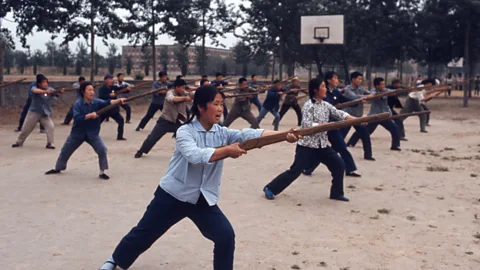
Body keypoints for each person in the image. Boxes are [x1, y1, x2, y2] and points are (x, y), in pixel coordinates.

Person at [99, 85, 300, 270]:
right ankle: (115, 260)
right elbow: (195, 156)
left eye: (222, 104)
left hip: (202, 198)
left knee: (225, 235)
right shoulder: (184, 131)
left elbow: (250, 134)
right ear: (201, 107)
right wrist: (226, 151)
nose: (220, 109)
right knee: (144, 233)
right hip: (173, 195)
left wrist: (283, 135)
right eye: (216, 104)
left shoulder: (221, 132)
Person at [262, 78, 364, 203]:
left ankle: (336, 193)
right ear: (315, 90)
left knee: (339, 165)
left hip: (322, 146)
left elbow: (340, 114)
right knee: (295, 171)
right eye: (323, 86)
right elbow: (307, 125)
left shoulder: (326, 105)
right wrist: (326, 125)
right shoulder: (308, 106)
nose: (325, 89)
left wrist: (356, 120)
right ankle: (270, 188)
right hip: (307, 146)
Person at [45, 82, 126, 180]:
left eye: (92, 90)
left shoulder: (96, 102)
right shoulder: (78, 104)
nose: (92, 92)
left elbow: (107, 102)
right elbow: (77, 118)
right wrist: (89, 116)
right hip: (77, 133)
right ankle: (58, 168)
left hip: (92, 133)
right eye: (89, 90)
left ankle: (102, 172)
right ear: (83, 92)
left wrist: (119, 100)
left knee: (102, 149)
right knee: (65, 151)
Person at [302, 72, 363, 177]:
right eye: (335, 78)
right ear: (329, 80)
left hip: (332, 125)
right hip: (321, 127)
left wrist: (357, 102)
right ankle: (307, 168)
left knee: (341, 147)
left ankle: (350, 169)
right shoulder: (318, 99)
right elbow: (307, 123)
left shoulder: (335, 92)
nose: (337, 80)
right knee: (320, 150)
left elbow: (341, 107)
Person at [134, 79, 194, 158]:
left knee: (186, 137)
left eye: (184, 88)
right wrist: (185, 98)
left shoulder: (184, 93)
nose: (183, 90)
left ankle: (189, 153)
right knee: (152, 137)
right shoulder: (170, 93)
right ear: (177, 87)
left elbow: (192, 94)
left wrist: (198, 92)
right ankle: (141, 151)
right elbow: (172, 99)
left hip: (179, 121)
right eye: (182, 88)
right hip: (165, 120)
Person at [12, 74, 64, 149]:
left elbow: (56, 94)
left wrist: (59, 92)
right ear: (39, 83)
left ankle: (50, 143)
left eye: (46, 82)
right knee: (26, 129)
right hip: (33, 113)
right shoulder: (34, 88)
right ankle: (19, 142)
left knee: (50, 127)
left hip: (44, 113)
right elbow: (34, 91)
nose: (45, 84)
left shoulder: (50, 89)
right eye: (43, 82)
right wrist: (45, 91)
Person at [350, 77, 401, 151]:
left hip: (384, 116)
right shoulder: (373, 91)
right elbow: (374, 95)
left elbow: (393, 91)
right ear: (377, 86)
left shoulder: (385, 90)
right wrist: (380, 94)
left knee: (395, 128)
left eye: (384, 84)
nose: (383, 85)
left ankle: (395, 145)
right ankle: (351, 143)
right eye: (382, 84)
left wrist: (397, 91)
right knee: (364, 131)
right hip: (374, 116)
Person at [340, 71, 375, 161]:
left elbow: (369, 94)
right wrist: (364, 97)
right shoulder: (348, 89)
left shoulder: (361, 89)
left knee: (365, 135)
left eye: (361, 79)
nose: (360, 81)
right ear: (353, 79)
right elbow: (354, 97)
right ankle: (331, 154)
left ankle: (368, 155)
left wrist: (371, 95)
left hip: (358, 117)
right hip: (348, 117)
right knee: (340, 138)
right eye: (359, 79)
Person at [98, 74, 131, 140]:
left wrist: (127, 89)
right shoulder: (102, 89)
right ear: (105, 80)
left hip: (113, 109)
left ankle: (120, 136)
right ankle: (93, 135)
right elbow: (101, 97)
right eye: (109, 79)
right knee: (97, 123)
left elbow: (121, 89)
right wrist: (109, 95)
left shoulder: (113, 87)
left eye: (112, 79)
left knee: (121, 120)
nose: (111, 80)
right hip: (105, 109)